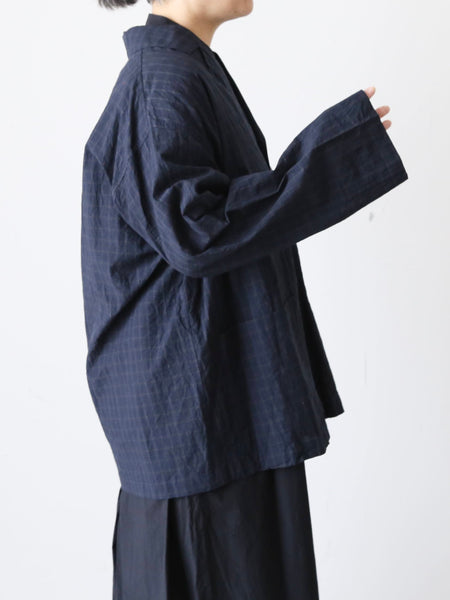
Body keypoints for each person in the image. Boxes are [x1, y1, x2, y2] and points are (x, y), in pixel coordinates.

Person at [81, 0, 408, 598]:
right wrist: (330, 159)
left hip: (219, 411)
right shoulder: (159, 81)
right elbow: (196, 232)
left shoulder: (182, 70)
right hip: (200, 427)